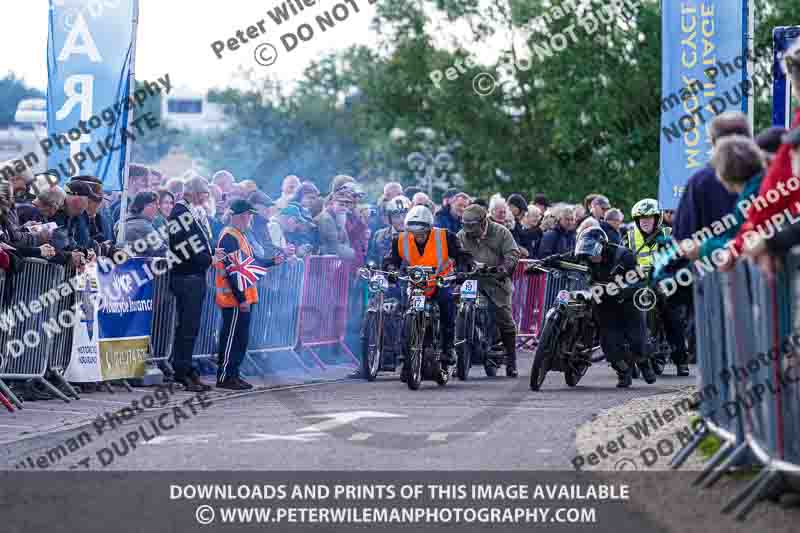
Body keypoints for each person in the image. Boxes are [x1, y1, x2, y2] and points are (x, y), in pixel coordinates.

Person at [531, 227, 657, 388]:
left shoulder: (624, 255)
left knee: (637, 339)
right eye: (587, 253)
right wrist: (541, 263)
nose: (591, 257)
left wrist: (622, 290)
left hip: (627, 301)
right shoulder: (584, 254)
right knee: (609, 342)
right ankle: (623, 371)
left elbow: (640, 280)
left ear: (603, 246)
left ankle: (644, 363)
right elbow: (562, 258)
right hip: (604, 303)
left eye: (594, 252)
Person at [383, 205, 473, 379]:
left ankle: (448, 348)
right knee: (406, 313)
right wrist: (391, 270)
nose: (418, 236)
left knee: (447, 305)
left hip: (440, 281)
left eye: (422, 233)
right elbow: (391, 259)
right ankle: (407, 359)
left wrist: (462, 270)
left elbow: (462, 255)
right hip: (416, 284)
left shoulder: (445, 236)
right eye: (414, 233)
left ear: (430, 229)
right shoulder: (399, 239)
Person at [214, 200, 283, 390]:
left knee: (240, 338)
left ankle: (233, 374)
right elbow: (232, 270)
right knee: (232, 338)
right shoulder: (229, 237)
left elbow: (251, 262)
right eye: (247, 215)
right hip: (234, 298)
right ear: (237, 216)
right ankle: (225, 376)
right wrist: (241, 299)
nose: (249, 218)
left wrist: (272, 261)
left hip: (243, 297)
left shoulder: (239, 235)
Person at [168, 176, 220, 392]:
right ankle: (181, 371)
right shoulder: (181, 213)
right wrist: (208, 259)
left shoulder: (190, 212)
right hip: (187, 275)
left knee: (192, 326)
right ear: (194, 193)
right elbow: (186, 247)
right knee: (187, 327)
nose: (206, 198)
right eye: (204, 194)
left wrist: (211, 253)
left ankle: (187, 368)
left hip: (193, 275)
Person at [625, 198, 688, 377]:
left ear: (657, 219)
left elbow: (680, 258)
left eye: (649, 218)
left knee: (673, 318)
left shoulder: (669, 234)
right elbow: (620, 258)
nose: (645, 221)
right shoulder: (629, 237)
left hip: (664, 285)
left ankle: (681, 361)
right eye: (641, 218)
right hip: (638, 286)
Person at [457, 205, 522, 376]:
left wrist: (504, 269)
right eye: (466, 227)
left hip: (495, 281)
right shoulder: (462, 235)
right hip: (471, 281)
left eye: (472, 227)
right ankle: (458, 356)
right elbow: (453, 255)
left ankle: (511, 361)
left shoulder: (501, 232)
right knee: (455, 309)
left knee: (504, 317)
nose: (469, 232)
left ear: (483, 222)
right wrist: (456, 270)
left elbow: (513, 254)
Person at [117, 191, 167, 256]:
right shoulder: (143, 226)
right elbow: (162, 249)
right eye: (155, 204)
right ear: (144, 206)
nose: (158, 207)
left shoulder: (122, 222)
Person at [367, 195, 411, 265]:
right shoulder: (379, 235)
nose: (402, 220)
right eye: (397, 216)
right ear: (390, 219)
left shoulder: (418, 236)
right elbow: (372, 259)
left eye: (405, 215)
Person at [316, 187, 356, 259]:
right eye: (341, 204)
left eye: (346, 206)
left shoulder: (339, 218)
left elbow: (346, 242)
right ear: (331, 203)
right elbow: (333, 247)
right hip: (323, 259)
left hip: (334, 258)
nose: (344, 208)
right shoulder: (326, 219)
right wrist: (351, 252)